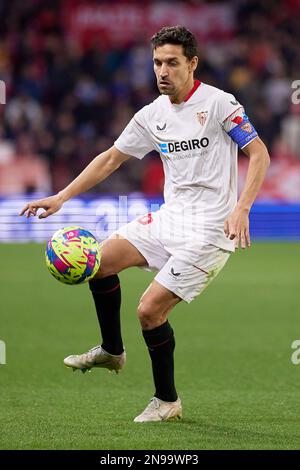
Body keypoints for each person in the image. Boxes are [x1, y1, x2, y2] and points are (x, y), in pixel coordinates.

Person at [20, 26, 270, 422]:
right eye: (157, 63)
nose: (163, 71)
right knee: (97, 261)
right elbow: (109, 159)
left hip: (209, 231)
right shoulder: (151, 115)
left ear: (192, 64)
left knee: (149, 312)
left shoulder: (221, 104)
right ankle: (111, 350)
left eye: (172, 62)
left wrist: (242, 208)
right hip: (170, 218)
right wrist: (61, 196)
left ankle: (167, 401)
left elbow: (259, 154)